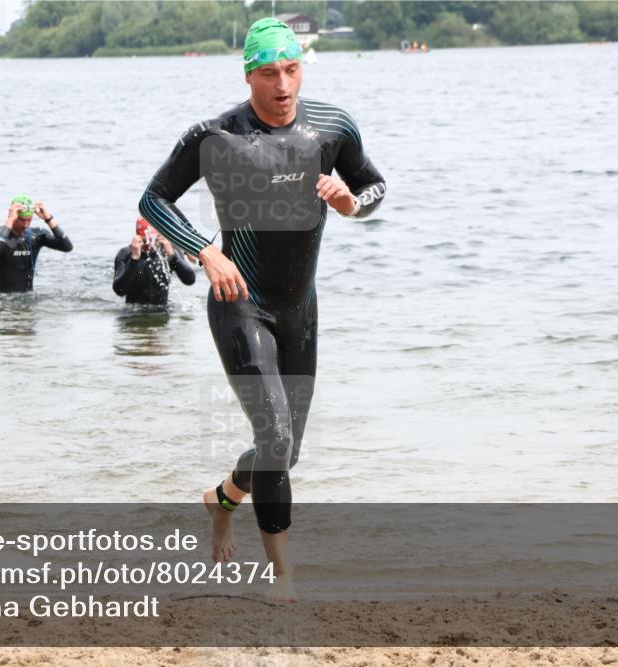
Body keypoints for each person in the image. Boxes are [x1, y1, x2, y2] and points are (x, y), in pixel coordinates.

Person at [138, 17, 385, 601]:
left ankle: (220, 499)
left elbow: (374, 187)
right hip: (239, 304)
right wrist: (204, 252)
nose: (283, 85)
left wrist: (352, 203)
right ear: (249, 74)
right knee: (273, 436)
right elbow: (153, 198)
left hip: (301, 307)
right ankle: (283, 576)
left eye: (292, 69)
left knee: (287, 451)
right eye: (270, 73)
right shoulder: (216, 136)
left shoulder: (332, 128)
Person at [0, 195, 72, 293]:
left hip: (27, 299)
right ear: (12, 216)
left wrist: (49, 219)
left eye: (29, 219)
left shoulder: (36, 235)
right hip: (1, 300)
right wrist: (9, 221)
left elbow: (67, 247)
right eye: (22, 219)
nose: (26, 224)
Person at [113, 217, 195, 306]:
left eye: (152, 239)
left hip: (162, 310)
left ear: (159, 236)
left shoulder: (168, 251)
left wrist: (173, 256)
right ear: (137, 237)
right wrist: (134, 260)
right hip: (134, 311)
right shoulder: (126, 254)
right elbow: (119, 291)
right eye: (144, 240)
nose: (148, 244)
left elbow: (190, 280)